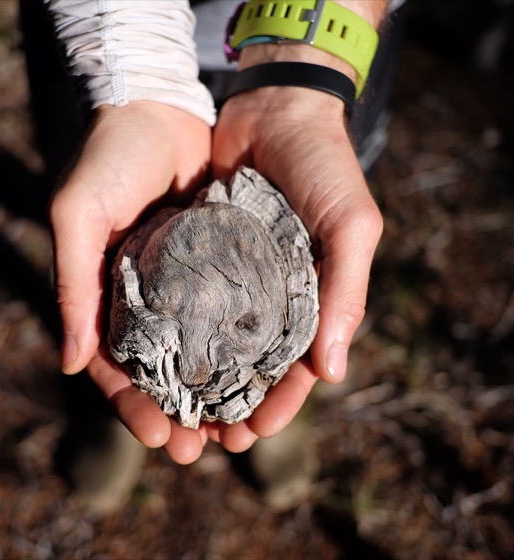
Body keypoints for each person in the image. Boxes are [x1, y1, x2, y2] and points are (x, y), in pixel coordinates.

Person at [39, 0, 401, 470]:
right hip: (101, 34)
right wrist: (133, 71)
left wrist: (304, 70)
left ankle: (262, 391)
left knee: (320, 227)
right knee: (90, 214)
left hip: (322, 41)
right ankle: (109, 408)